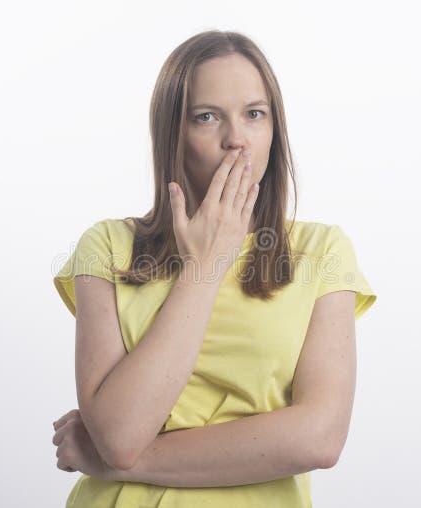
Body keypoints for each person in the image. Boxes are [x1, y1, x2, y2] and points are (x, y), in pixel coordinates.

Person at [50, 29, 377, 508]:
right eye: (207, 117)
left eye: (254, 115)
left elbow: (319, 439)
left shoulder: (321, 251)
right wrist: (206, 264)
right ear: (173, 135)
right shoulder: (107, 246)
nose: (236, 141)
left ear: (274, 129)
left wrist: (117, 461)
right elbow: (120, 434)